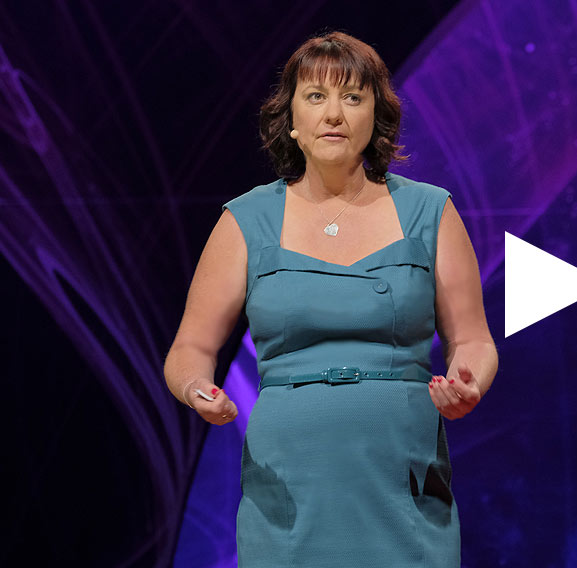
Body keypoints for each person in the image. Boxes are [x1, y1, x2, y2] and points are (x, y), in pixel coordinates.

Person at [163, 30, 497, 567]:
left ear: (375, 115)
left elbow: (473, 340)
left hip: (402, 484)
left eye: (353, 97)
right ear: (291, 118)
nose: (334, 114)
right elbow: (191, 348)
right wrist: (195, 387)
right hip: (288, 492)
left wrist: (469, 381)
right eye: (316, 96)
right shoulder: (245, 220)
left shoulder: (430, 212)